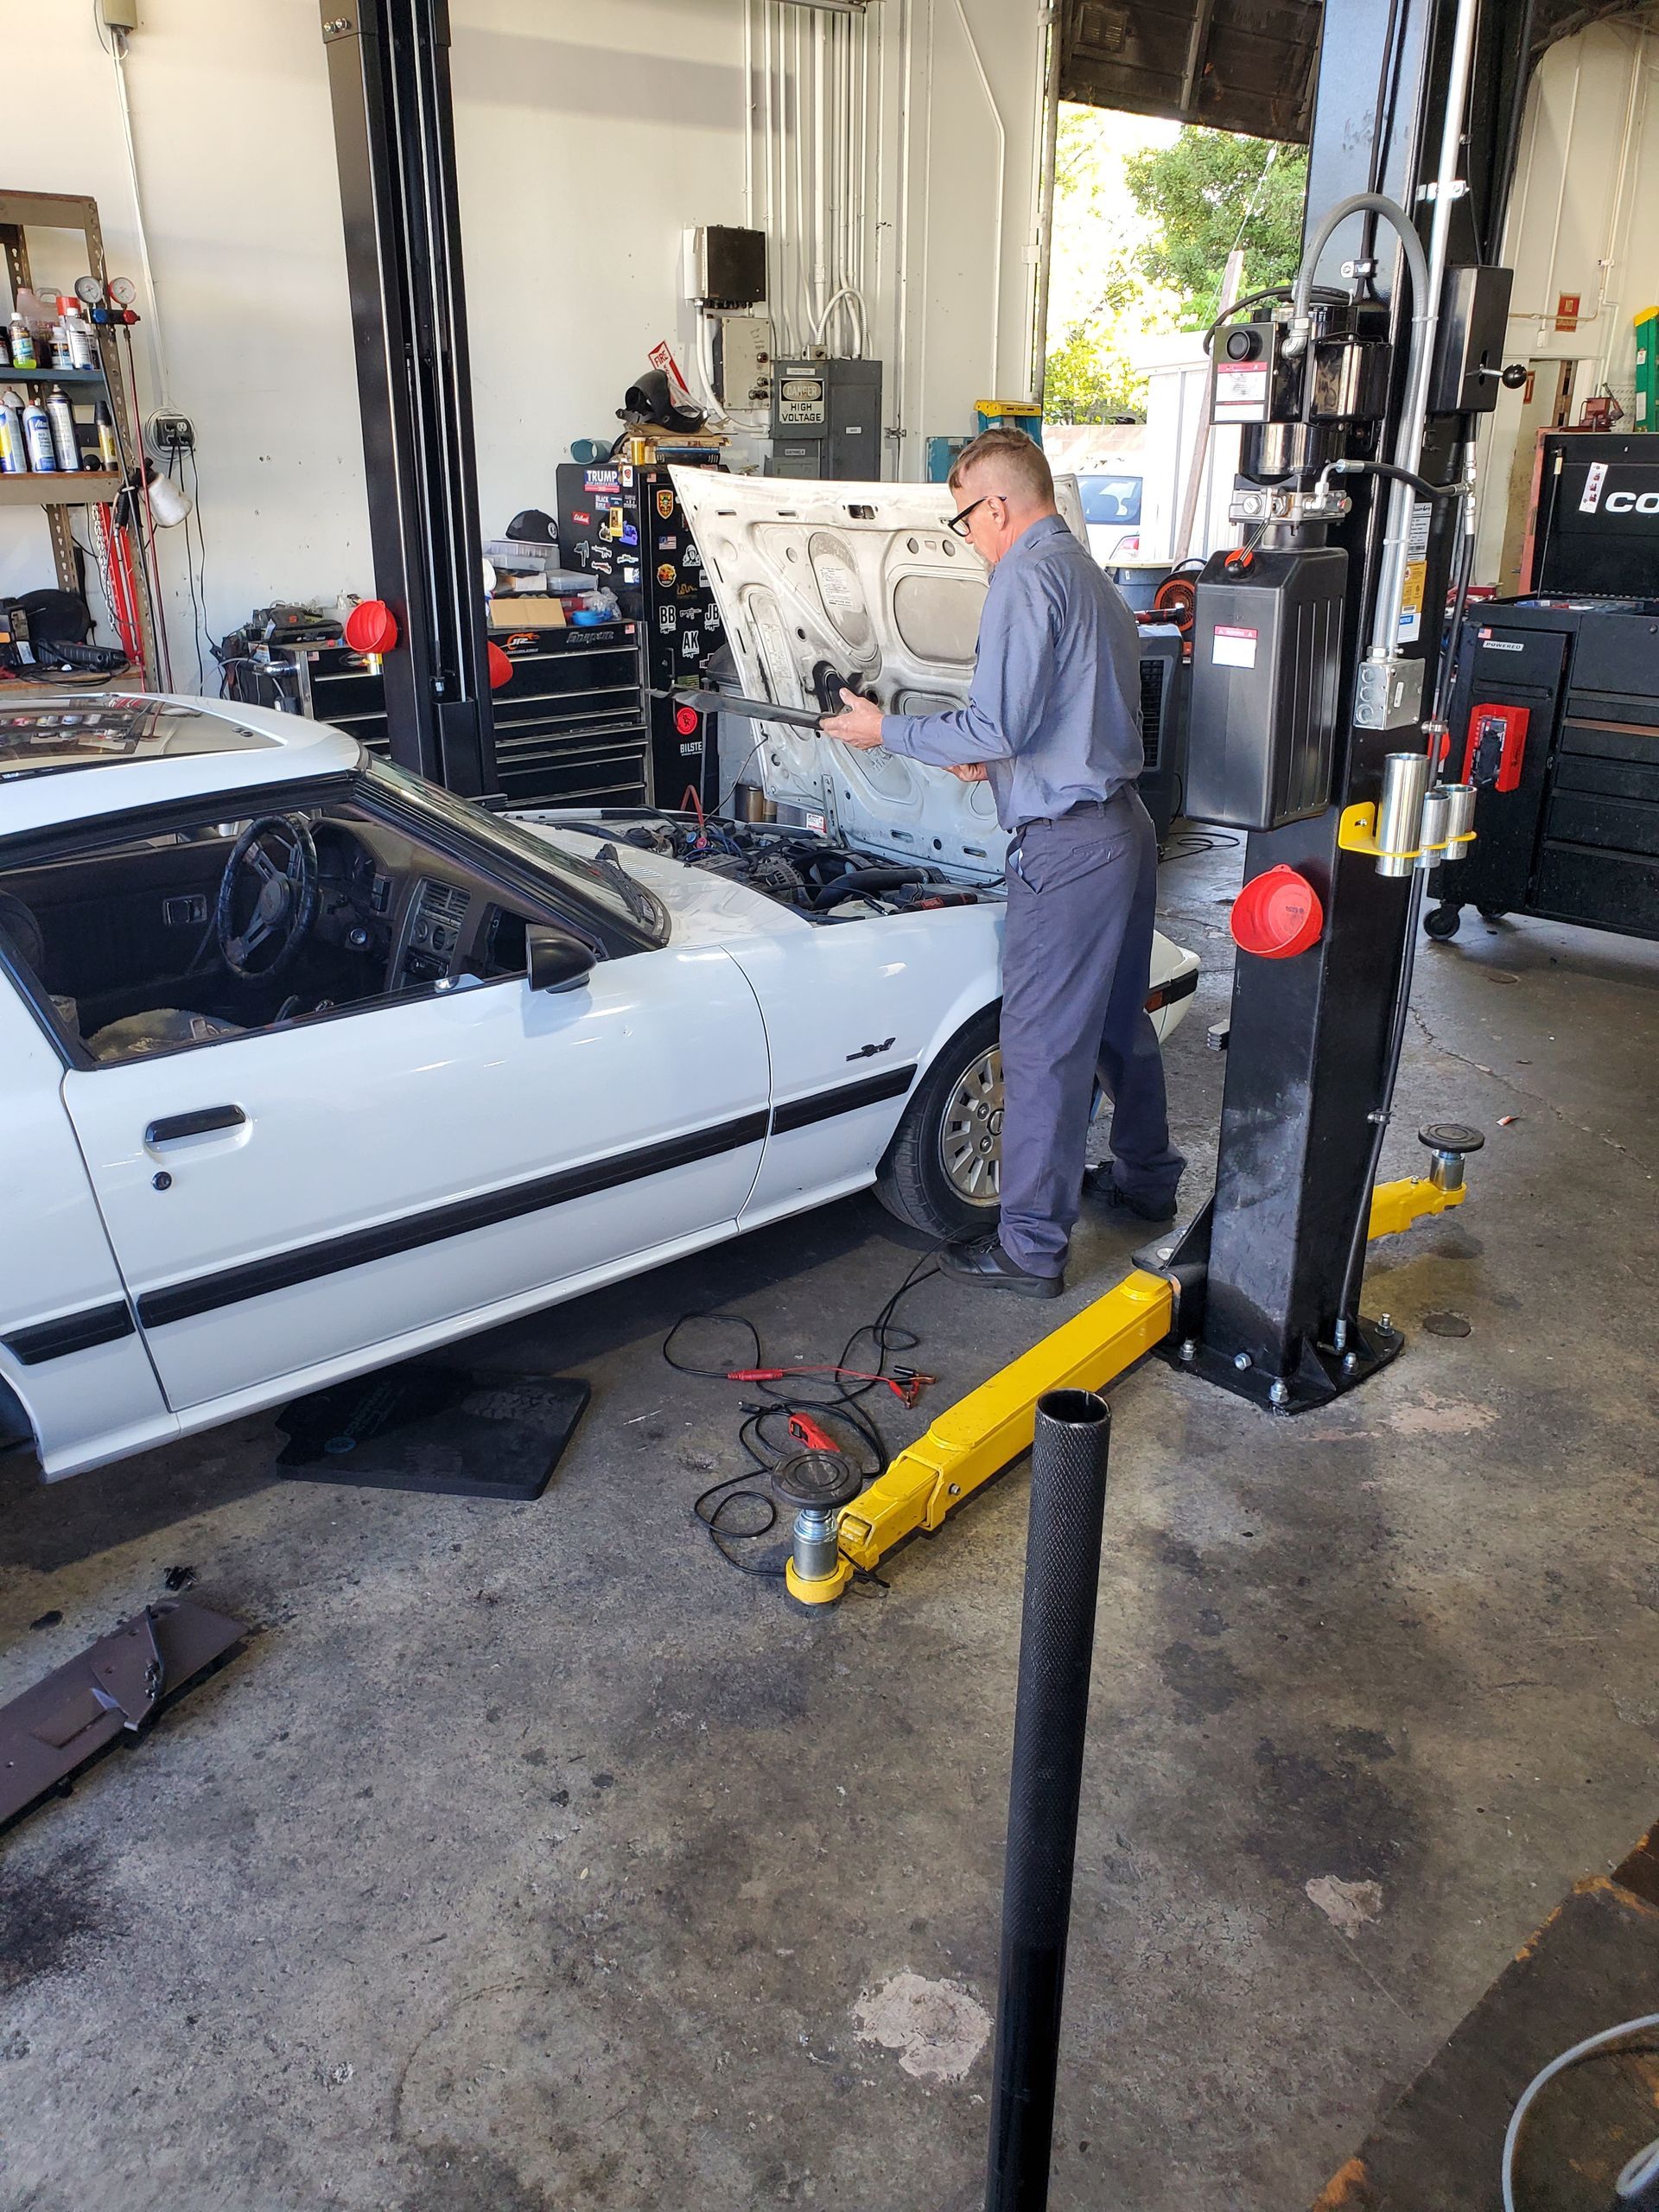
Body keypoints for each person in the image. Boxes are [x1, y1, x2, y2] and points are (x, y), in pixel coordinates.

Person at [819, 426, 1183, 1299]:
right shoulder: (1088, 575)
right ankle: (1144, 1184)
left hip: (1066, 848)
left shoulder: (1024, 576)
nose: (969, 541)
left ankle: (1029, 1248)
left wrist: (884, 730)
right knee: (1113, 1025)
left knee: (1041, 1047)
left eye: (964, 524)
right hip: (1121, 827)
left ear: (997, 505)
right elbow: (1056, 715)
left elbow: (999, 725)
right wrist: (996, 756)